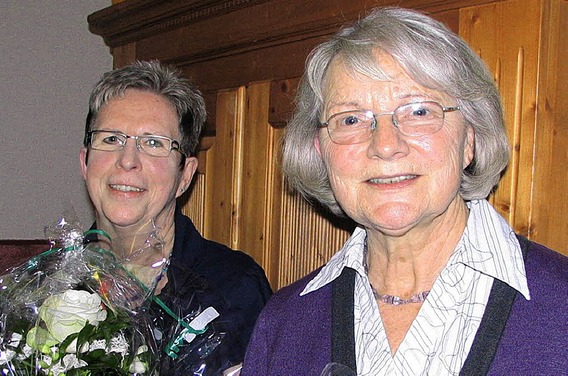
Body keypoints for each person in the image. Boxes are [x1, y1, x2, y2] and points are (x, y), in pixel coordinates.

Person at [242, 7, 568, 376]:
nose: (384, 145)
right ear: (321, 150)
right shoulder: (284, 324)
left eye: (418, 111)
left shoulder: (562, 307)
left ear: (470, 139)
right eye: (351, 119)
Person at [80, 60, 272, 374]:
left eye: (154, 143)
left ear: (185, 175)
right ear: (85, 163)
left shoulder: (235, 289)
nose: (127, 161)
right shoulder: (45, 290)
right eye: (111, 139)